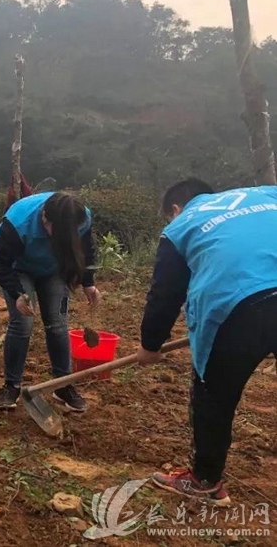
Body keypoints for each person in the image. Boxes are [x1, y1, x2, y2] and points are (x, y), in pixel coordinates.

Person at [137, 178, 277, 507]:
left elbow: (165, 294)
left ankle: (206, 482)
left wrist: (150, 345)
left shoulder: (181, 225)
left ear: (175, 209)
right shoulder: (268, 194)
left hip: (237, 307)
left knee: (213, 397)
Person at [0, 191, 101, 412]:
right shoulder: (18, 222)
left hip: (54, 269)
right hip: (18, 269)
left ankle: (63, 385)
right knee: (22, 323)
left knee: (58, 324)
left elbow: (87, 251)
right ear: (44, 219)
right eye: (55, 233)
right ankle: (12, 385)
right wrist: (18, 294)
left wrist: (88, 283)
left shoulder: (80, 217)